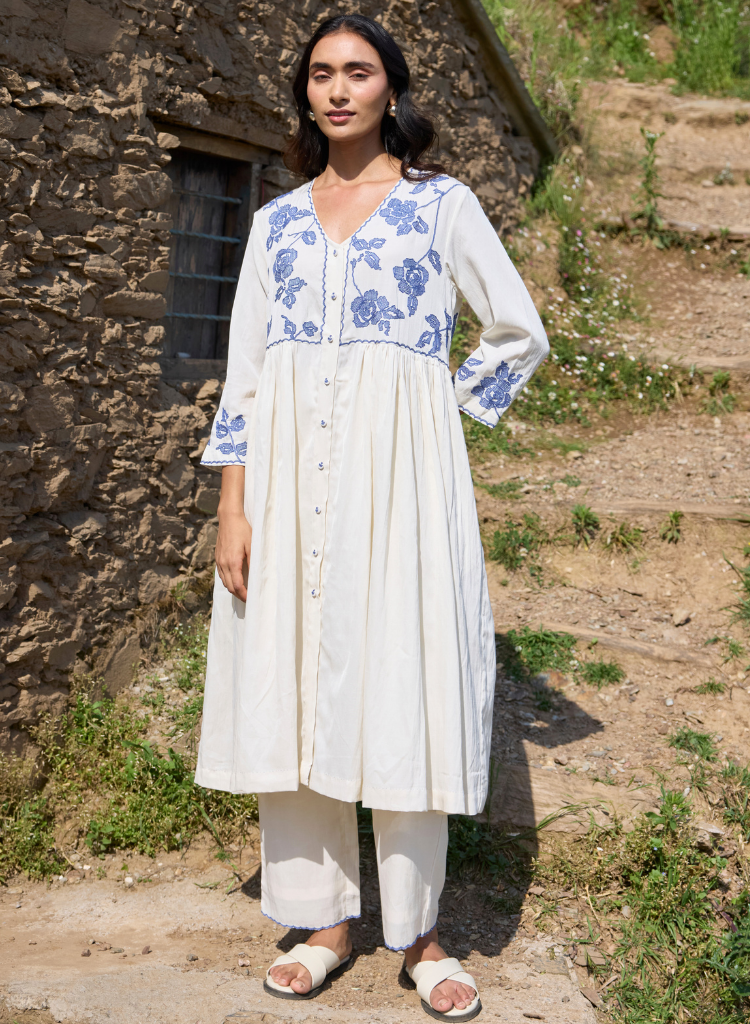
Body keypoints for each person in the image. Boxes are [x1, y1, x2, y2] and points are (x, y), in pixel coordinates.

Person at [195, 13, 548, 1021]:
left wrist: (434, 415)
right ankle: (322, 921)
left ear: (391, 88)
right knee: (293, 682)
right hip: (282, 488)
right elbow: (245, 375)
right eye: (321, 74)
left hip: (400, 488)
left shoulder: (441, 206)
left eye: (358, 72)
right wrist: (232, 506)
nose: (339, 89)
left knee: (402, 685)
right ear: (305, 94)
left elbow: (518, 330)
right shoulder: (275, 224)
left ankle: (421, 935)